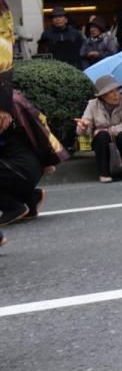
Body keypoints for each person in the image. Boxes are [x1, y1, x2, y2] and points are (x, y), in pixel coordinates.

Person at [0, 12, 65, 225]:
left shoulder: (8, 105)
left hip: (21, 168)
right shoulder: (15, 98)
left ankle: (12, 206)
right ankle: (31, 197)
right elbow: (38, 128)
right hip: (28, 166)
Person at [76, 74, 122, 182]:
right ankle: (104, 173)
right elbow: (83, 132)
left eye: (117, 90)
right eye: (111, 92)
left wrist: (107, 130)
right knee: (102, 136)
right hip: (103, 140)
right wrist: (83, 127)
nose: (116, 95)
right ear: (102, 95)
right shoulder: (92, 105)